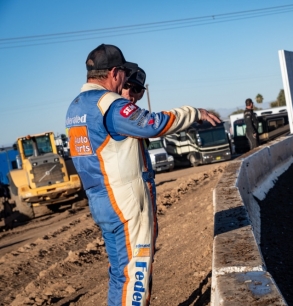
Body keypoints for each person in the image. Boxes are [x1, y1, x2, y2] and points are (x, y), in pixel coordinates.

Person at [65, 44, 220, 306]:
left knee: (119, 274)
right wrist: (194, 112)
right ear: (114, 73)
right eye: (124, 74)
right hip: (125, 203)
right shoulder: (109, 104)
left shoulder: (75, 108)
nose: (127, 82)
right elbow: (152, 124)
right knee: (136, 274)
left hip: (101, 201)